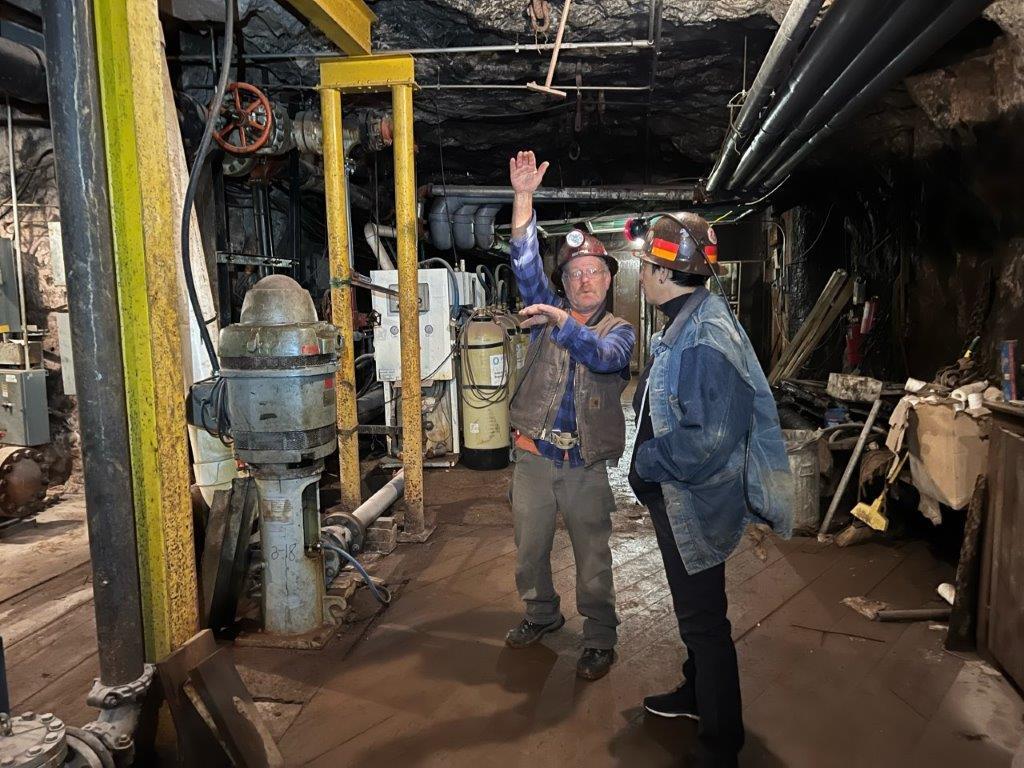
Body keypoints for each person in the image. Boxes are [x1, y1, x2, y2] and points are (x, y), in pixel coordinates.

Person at [628, 213, 793, 767]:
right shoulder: (689, 320)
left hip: (692, 501)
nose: (641, 275)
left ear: (664, 273)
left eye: (645, 266)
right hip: (679, 496)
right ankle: (697, 696)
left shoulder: (704, 337)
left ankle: (721, 745)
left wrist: (646, 460)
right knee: (697, 613)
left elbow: (709, 440)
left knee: (704, 621)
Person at [503, 151, 636, 681]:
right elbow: (525, 263)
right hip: (535, 457)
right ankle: (541, 614)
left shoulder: (619, 331)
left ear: (608, 279)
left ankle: (600, 637)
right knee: (529, 552)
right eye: (575, 273)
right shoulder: (545, 314)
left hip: (585, 466)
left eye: (593, 272)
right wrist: (523, 198)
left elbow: (601, 357)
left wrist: (563, 322)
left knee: (593, 561)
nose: (584, 281)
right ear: (566, 281)